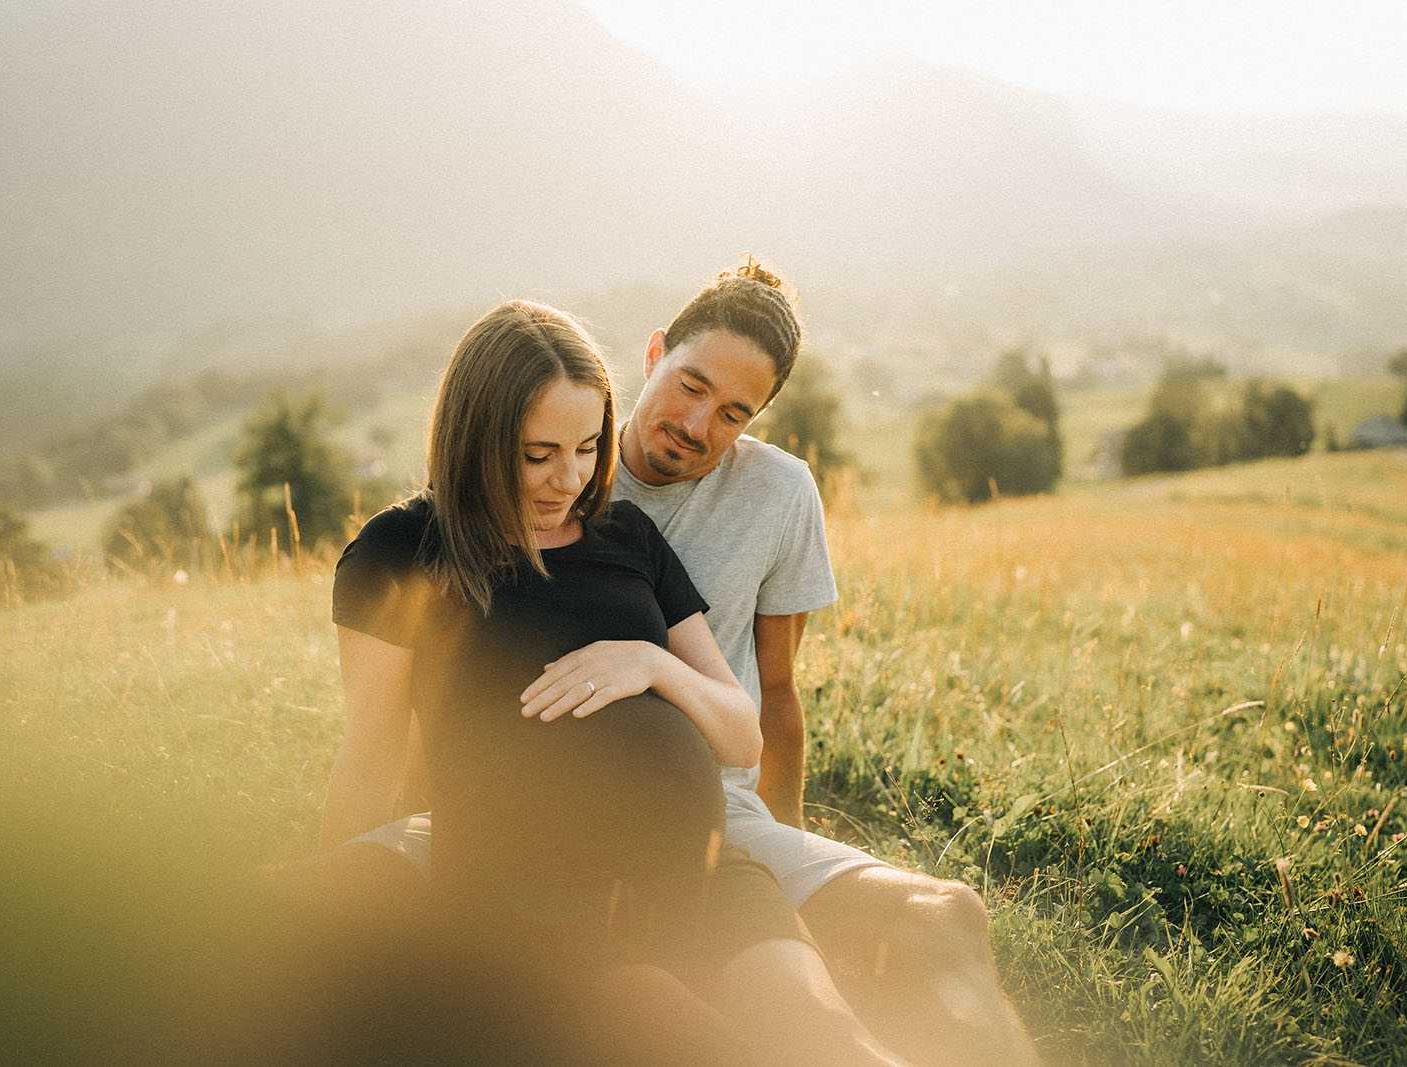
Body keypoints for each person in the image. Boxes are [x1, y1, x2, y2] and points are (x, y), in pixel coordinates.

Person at [315, 263, 1040, 1065]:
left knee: (869, 1009)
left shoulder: (645, 531)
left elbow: (763, 711)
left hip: (705, 853)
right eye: (539, 455)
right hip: (532, 870)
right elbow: (375, 750)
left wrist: (652, 666)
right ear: (654, 353)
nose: (571, 476)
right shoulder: (412, 547)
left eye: (587, 449)